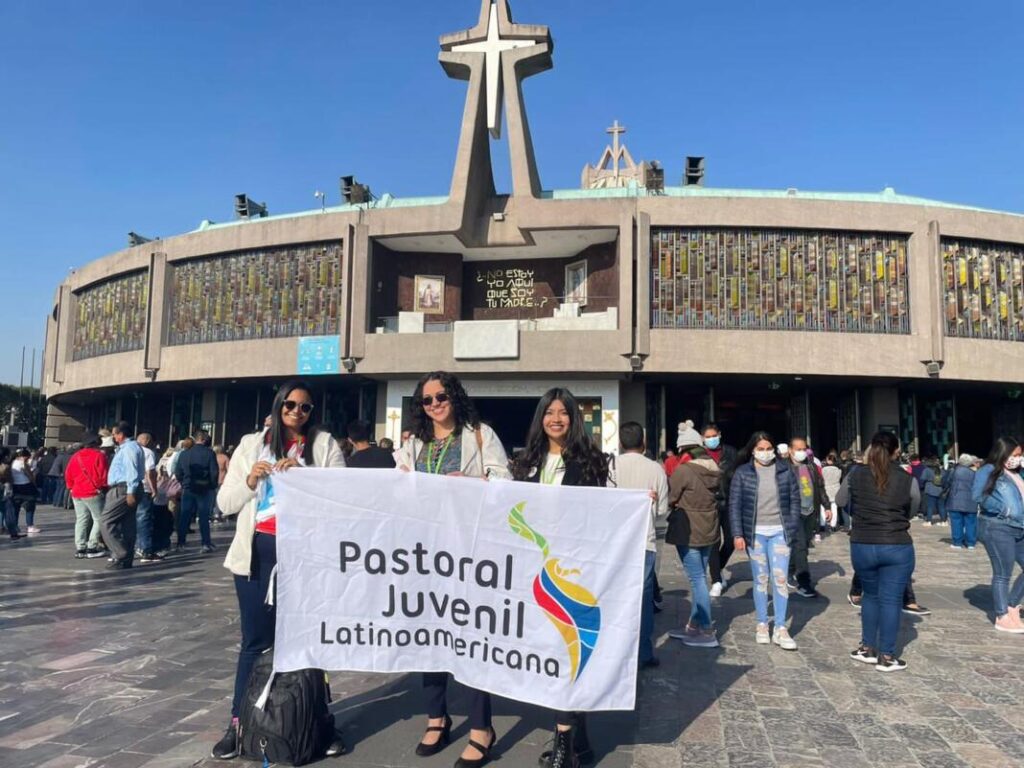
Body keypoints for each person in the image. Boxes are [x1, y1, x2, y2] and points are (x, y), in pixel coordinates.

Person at [212, 379, 346, 761]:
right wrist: (253, 479)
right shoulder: (251, 444)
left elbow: (340, 497)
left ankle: (319, 722)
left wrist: (305, 476)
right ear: (278, 406)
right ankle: (238, 723)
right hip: (257, 557)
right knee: (254, 643)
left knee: (306, 643)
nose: (297, 413)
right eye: (290, 405)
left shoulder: (323, 445)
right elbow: (225, 503)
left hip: (305, 558)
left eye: (305, 407)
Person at [395, 371, 510, 768]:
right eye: (426, 400)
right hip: (425, 551)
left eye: (441, 396)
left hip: (468, 551)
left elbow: (504, 480)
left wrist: (475, 482)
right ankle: (436, 716)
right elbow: (395, 489)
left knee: (471, 633)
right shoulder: (413, 445)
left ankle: (481, 727)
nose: (434, 404)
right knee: (428, 633)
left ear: (454, 397)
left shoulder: (479, 434)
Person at [509, 386, 606, 768]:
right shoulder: (525, 462)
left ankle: (564, 745)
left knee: (568, 654)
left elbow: (602, 511)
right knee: (552, 652)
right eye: (549, 412)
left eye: (563, 412)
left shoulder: (592, 460)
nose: (556, 418)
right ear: (540, 418)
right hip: (534, 573)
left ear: (573, 418)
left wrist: (635, 503)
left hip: (572, 574)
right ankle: (580, 739)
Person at [836, 431, 916, 671]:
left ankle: (868, 648)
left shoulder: (855, 473)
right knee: (891, 599)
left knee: (870, 596)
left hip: (862, 543)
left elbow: (840, 501)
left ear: (870, 449)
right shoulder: (906, 478)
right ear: (895, 452)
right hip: (896, 543)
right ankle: (888, 656)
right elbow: (914, 507)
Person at [729, 432, 801, 650]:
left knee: (779, 579)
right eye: (760, 448)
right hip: (756, 533)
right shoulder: (743, 473)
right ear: (752, 450)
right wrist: (738, 534)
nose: (765, 452)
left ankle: (780, 627)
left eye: (768, 448)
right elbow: (735, 504)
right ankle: (762, 623)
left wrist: (792, 525)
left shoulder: (785, 470)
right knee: (760, 579)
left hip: (780, 531)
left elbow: (795, 499)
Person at [613, 421, 669, 666]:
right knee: (644, 600)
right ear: (644, 443)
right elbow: (662, 510)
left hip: (614, 543)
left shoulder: (610, 465)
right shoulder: (656, 469)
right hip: (644, 541)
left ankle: (615, 650)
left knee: (615, 597)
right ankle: (643, 653)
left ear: (620, 443)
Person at [666, 442, 721, 648]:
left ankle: (707, 630)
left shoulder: (684, 471)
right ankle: (693, 625)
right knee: (701, 577)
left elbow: (671, 497)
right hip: (709, 527)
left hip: (688, 529)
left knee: (696, 579)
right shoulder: (715, 471)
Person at [972, 436, 1024, 634]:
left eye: (1020, 455)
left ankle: (1011, 606)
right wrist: (1003, 508)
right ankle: (1002, 616)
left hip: (1019, 527)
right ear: (1004, 453)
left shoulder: (1017, 474)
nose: (1018, 458)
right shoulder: (988, 470)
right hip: (997, 526)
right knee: (1003, 572)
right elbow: (978, 496)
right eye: (1015, 455)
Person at [101, 421, 147, 569]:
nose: (113, 437)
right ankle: (126, 560)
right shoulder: (128, 448)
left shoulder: (129, 449)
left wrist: (130, 492)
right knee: (127, 524)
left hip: (123, 488)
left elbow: (131, 471)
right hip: (126, 488)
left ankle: (121, 552)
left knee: (106, 521)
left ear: (121, 435)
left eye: (114, 434)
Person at [786, 436, 826, 598]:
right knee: (800, 545)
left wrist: (827, 506)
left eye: (804, 449)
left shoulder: (811, 467)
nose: (802, 452)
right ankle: (804, 583)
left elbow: (820, 487)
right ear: (790, 450)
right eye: (798, 449)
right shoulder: (784, 468)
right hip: (794, 513)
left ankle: (790, 569)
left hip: (811, 511)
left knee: (803, 546)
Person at [702, 424, 738, 597]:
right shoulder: (699, 454)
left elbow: (738, 475)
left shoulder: (731, 453)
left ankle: (719, 566)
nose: (711, 439)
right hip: (709, 503)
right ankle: (716, 579)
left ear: (720, 434)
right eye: (707, 436)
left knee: (732, 540)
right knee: (713, 542)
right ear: (702, 438)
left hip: (730, 501)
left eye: (713, 435)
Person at [174, 430, 220, 553]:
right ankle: (205, 543)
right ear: (204, 439)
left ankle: (181, 543)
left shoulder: (184, 454)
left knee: (185, 515)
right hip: (204, 488)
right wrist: (212, 485)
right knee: (204, 516)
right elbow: (214, 472)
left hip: (188, 487)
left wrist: (183, 482)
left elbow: (178, 472)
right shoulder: (209, 453)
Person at [65, 433, 110, 558]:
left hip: (77, 491)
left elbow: (68, 473)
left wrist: (71, 487)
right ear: (96, 443)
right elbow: (103, 474)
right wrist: (104, 487)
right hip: (92, 492)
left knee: (81, 519)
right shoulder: (99, 456)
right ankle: (92, 545)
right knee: (99, 518)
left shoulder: (76, 456)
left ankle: (80, 547)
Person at [945, 453, 979, 550]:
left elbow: (946, 482)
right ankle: (971, 543)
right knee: (971, 522)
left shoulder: (954, 471)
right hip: (971, 501)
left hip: (955, 500)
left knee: (956, 522)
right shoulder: (974, 474)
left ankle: (957, 543)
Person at [136, 433, 161, 562]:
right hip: (144, 488)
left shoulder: (127, 450)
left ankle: (134, 547)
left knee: (130, 519)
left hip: (127, 488)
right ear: (147, 441)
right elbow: (149, 472)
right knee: (144, 519)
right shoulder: (148, 453)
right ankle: (145, 549)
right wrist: (154, 489)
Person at [10, 449, 39, 534]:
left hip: (15, 486)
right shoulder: (23, 464)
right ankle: (30, 526)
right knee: (30, 507)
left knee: (16, 508)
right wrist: (34, 483)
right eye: (27, 457)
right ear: (24, 456)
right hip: (26, 486)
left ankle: (15, 526)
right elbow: (30, 476)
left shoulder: (12, 462)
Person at [920, 456, 948, 526]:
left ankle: (929, 521)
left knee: (930, 506)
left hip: (930, 490)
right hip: (940, 490)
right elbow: (945, 480)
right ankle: (944, 521)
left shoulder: (927, 470)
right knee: (941, 506)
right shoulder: (942, 471)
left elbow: (922, 479)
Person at [822, 453, 843, 533]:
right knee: (834, 508)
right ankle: (833, 525)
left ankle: (822, 524)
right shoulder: (838, 470)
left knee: (824, 507)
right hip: (835, 490)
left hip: (826, 489)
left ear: (827, 460)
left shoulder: (823, 470)